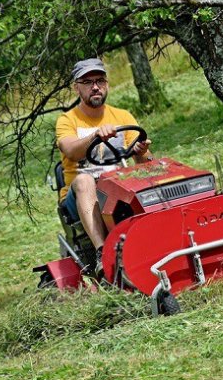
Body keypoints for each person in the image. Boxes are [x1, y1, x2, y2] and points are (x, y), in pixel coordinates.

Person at [56, 58, 152, 273]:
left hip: (117, 189)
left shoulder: (122, 116)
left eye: (100, 80)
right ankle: (102, 252)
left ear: (107, 84)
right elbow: (70, 150)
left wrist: (141, 152)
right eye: (87, 82)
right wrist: (95, 136)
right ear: (76, 88)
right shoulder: (67, 120)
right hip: (78, 196)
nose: (95, 87)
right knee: (84, 180)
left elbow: (147, 166)